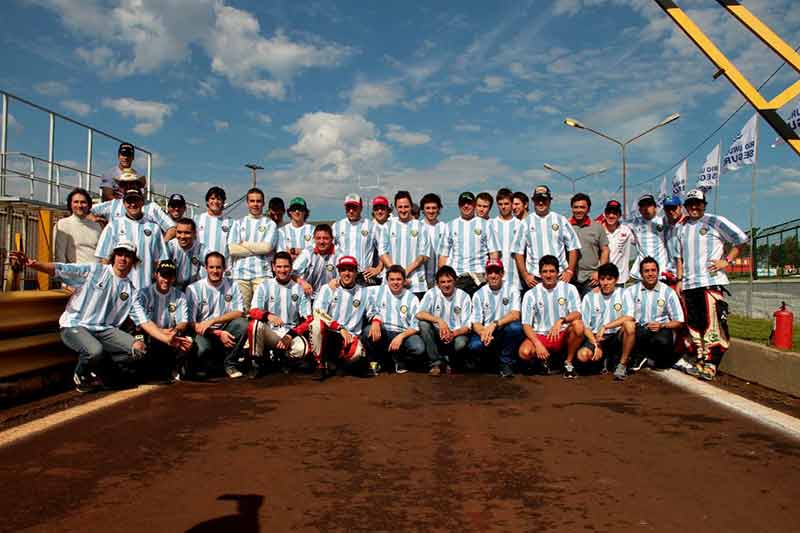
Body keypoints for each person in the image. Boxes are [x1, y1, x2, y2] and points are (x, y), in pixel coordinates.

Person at [10, 241, 176, 392]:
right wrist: (32, 263)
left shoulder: (130, 289)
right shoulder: (94, 270)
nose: (122, 259)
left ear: (133, 261)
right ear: (113, 256)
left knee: (138, 349)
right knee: (95, 351)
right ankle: (81, 375)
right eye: (119, 254)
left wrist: (166, 338)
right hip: (75, 325)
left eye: (127, 256)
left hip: (104, 330)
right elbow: (61, 269)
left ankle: (103, 372)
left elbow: (144, 320)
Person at [676, 188, 747, 381]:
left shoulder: (715, 221)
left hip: (710, 284)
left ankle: (712, 362)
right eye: (690, 204)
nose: (694, 207)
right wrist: (680, 280)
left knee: (712, 324)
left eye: (697, 203)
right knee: (694, 324)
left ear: (703, 204)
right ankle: (700, 358)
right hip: (690, 285)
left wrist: (727, 261)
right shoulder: (681, 227)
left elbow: (741, 239)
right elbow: (679, 257)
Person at [295, 255, 370, 377]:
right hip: (330, 332)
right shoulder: (328, 288)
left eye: (350, 270)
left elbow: (374, 309)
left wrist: (376, 321)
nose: (347, 273)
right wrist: (340, 328)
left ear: (356, 272)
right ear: (338, 272)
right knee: (316, 324)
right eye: (343, 270)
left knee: (358, 354)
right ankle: (318, 363)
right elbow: (318, 311)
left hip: (350, 336)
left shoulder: (364, 292)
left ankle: (336, 362)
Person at [518, 255, 584, 378]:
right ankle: (544, 361)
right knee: (524, 352)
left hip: (562, 333)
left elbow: (577, 313)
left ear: (558, 273)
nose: (548, 275)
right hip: (541, 334)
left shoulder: (569, 289)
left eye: (552, 271)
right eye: (545, 272)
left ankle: (568, 363)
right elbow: (526, 324)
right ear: (540, 273)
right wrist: (537, 344)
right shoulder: (531, 293)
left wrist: (561, 320)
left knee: (579, 325)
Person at [185, 252, 248, 379]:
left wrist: (213, 321)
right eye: (211, 267)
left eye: (218, 267)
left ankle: (230, 364)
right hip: (204, 332)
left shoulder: (233, 285)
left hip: (224, 327)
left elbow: (239, 312)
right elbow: (191, 323)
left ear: (224, 269)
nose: (215, 271)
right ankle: (205, 365)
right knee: (202, 349)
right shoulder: (193, 289)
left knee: (243, 324)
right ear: (205, 268)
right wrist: (218, 333)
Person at [247, 252, 312, 373]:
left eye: (286, 266)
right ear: (273, 267)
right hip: (270, 332)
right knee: (255, 325)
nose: (282, 270)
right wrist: (268, 315)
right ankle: (256, 362)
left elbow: (308, 320)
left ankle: (281, 358)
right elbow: (253, 311)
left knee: (304, 349)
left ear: (291, 268)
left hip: (290, 333)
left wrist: (290, 335)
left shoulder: (299, 289)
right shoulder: (264, 285)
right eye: (279, 267)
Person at [130, 260, 194, 381]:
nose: (166, 280)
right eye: (163, 275)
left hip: (170, 334)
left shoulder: (180, 296)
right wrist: (160, 332)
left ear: (174, 278)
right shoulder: (143, 294)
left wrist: (175, 330)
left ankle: (175, 368)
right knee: (140, 341)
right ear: (156, 275)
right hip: (149, 334)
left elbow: (183, 322)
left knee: (189, 343)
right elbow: (140, 323)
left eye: (170, 276)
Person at [94, 188, 169, 289]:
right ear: (124, 203)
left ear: (142, 202)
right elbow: (104, 260)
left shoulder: (154, 228)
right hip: (118, 288)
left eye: (136, 200)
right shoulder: (113, 226)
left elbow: (159, 260)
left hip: (145, 288)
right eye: (129, 201)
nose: (133, 204)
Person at [512, 185, 580, 290]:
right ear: (533, 201)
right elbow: (518, 252)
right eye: (538, 199)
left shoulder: (561, 220)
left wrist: (570, 271)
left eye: (544, 199)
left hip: (559, 277)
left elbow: (573, 247)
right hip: (535, 279)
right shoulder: (525, 223)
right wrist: (525, 275)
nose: (540, 203)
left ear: (549, 201)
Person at [576, 263, 636, 381]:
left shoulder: (624, 293)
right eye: (602, 279)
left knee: (630, 326)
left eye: (609, 279)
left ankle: (622, 365)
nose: (605, 283)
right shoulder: (589, 297)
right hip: (597, 338)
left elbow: (630, 317)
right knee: (582, 356)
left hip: (616, 337)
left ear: (616, 279)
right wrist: (595, 343)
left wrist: (606, 326)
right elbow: (586, 327)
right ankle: (603, 360)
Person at [363, 265, 425, 374]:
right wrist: (336, 283)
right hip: (383, 331)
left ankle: (398, 359)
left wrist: (401, 336)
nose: (395, 282)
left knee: (418, 347)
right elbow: (357, 291)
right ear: (387, 280)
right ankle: (377, 360)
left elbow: (415, 326)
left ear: (404, 280)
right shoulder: (376, 291)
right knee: (369, 331)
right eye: (392, 279)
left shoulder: (412, 298)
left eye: (399, 279)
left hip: (402, 334)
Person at [467, 259, 524, 378]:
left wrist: (495, 324)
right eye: (490, 272)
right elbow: (476, 322)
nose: (493, 276)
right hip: (486, 331)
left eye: (496, 272)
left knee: (516, 328)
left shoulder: (512, 289)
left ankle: (505, 361)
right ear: (486, 275)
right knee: (474, 346)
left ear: (502, 273)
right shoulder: (479, 294)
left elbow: (515, 314)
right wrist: (484, 333)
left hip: (503, 329)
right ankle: (489, 362)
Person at [627, 256, 685, 370]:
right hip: (639, 331)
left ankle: (652, 358)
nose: (650, 274)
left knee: (662, 349)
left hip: (660, 330)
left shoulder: (668, 292)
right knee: (630, 331)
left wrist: (662, 325)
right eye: (646, 271)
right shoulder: (631, 291)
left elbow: (679, 322)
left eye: (653, 270)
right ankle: (637, 355)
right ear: (641, 273)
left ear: (658, 272)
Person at [438, 191, 500, 296]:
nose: (466, 206)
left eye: (469, 203)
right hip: (457, 277)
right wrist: (443, 277)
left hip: (480, 277)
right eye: (463, 203)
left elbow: (493, 253)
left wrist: (490, 275)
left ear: (474, 205)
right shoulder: (450, 226)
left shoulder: (486, 225)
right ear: (458, 205)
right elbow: (443, 256)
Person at [228, 187, 279, 309]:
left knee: (261, 311)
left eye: (258, 201)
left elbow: (267, 248)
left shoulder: (270, 224)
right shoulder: (238, 223)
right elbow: (232, 249)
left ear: (263, 203)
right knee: (241, 312)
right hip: (240, 275)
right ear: (247, 203)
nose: (255, 204)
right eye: (252, 201)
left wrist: (244, 244)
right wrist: (258, 248)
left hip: (262, 274)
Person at [416, 266, 472, 375]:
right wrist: (439, 321)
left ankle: (450, 362)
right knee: (423, 324)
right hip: (437, 332)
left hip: (456, 334)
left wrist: (452, 334)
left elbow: (467, 327)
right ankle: (436, 363)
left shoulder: (464, 297)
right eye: (443, 282)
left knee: (461, 343)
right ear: (437, 284)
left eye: (449, 281)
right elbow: (419, 313)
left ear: (455, 281)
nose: (446, 285)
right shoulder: (431, 293)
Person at [91, 169, 176, 239]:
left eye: (131, 183)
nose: (128, 186)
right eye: (124, 184)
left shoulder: (151, 207)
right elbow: (87, 209)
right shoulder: (113, 205)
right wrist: (96, 220)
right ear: (120, 188)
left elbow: (172, 228)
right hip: (119, 256)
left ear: (138, 185)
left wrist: (160, 248)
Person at [379, 191, 430, 298]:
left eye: (406, 206)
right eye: (400, 207)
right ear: (396, 208)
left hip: (415, 284)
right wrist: (397, 275)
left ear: (411, 206)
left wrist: (404, 273)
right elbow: (383, 253)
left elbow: (423, 256)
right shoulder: (387, 226)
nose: (403, 210)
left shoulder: (421, 226)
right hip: (392, 283)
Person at [332, 193, 382, 286]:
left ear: (361, 208)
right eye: (348, 207)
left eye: (354, 207)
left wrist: (378, 269)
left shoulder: (372, 226)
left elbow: (384, 251)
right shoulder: (337, 226)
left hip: (364, 278)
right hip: (343, 277)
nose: (351, 211)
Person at [569, 193, 609, 297]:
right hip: (570, 278)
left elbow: (605, 250)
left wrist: (600, 272)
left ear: (588, 209)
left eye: (582, 207)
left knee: (592, 310)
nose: (579, 210)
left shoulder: (597, 227)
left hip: (591, 278)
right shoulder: (566, 226)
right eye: (576, 207)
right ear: (572, 208)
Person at [54, 187, 102, 264]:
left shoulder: (96, 226)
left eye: (83, 202)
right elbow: (59, 255)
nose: (79, 205)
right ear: (70, 204)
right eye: (76, 202)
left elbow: (102, 254)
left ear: (89, 205)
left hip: (97, 272)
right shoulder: (63, 224)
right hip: (76, 273)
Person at [629, 193, 669, 281]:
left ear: (655, 207)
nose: (646, 208)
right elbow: (616, 224)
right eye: (643, 206)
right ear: (639, 209)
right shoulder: (633, 223)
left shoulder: (664, 221)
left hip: (661, 271)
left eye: (649, 205)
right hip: (642, 273)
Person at [292, 224, 337, 299]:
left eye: (325, 238)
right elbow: (292, 272)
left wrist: (337, 282)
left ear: (332, 239)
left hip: (331, 298)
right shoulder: (308, 252)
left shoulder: (339, 253)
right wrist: (302, 282)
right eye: (318, 238)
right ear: (314, 239)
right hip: (309, 296)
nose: (322, 241)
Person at [194, 186, 234, 272]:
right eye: (212, 198)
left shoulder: (231, 222)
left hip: (224, 271)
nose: (215, 201)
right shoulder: (197, 219)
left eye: (219, 199)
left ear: (223, 202)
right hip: (202, 271)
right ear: (207, 201)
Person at [492, 188, 522, 289]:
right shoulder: (491, 224)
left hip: (515, 280)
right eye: (500, 204)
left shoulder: (520, 224)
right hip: (495, 279)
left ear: (512, 204)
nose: (503, 207)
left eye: (506, 203)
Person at [600, 200, 634, 286]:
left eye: (615, 213)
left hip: (620, 279)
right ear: (604, 214)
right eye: (608, 212)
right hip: (602, 278)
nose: (611, 216)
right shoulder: (598, 230)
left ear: (619, 215)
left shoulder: (626, 230)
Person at [168, 217, 206, 291]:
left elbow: (213, 263)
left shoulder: (200, 248)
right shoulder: (169, 246)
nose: (182, 236)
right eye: (179, 232)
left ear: (194, 233)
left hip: (191, 290)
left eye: (187, 233)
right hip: (171, 289)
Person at [419, 193, 448, 289]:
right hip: (420, 280)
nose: (431, 211)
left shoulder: (445, 227)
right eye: (427, 208)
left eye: (434, 208)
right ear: (423, 209)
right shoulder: (417, 227)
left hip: (439, 280)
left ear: (439, 209)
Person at [281, 197, 314, 261]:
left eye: (300, 209)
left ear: (305, 212)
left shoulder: (313, 230)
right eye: (294, 209)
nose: (297, 211)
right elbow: (281, 253)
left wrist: (291, 251)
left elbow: (314, 252)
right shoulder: (282, 231)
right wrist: (303, 251)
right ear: (290, 212)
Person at [662, 195, 685, 284]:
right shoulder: (666, 225)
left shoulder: (688, 224)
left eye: (673, 208)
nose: (671, 211)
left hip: (684, 277)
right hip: (669, 276)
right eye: (667, 209)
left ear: (680, 207)